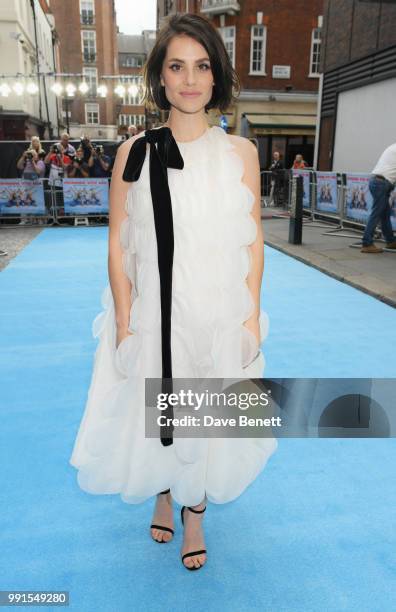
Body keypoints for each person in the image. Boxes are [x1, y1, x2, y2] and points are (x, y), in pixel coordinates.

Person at [69, 13, 277, 572]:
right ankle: (165, 489)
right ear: (160, 78)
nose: (190, 79)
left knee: (208, 410)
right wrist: (124, 316)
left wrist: (252, 315)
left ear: (216, 78)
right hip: (156, 309)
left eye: (202, 66)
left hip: (217, 307)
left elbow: (252, 240)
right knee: (161, 407)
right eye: (177, 66)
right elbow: (117, 242)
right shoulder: (133, 152)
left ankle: (195, 510)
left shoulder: (241, 154)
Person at [361, 143, 396, 253]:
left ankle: (390, 241)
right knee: (376, 214)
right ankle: (367, 243)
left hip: (378, 182)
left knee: (384, 214)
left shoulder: (392, 147)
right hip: (381, 183)